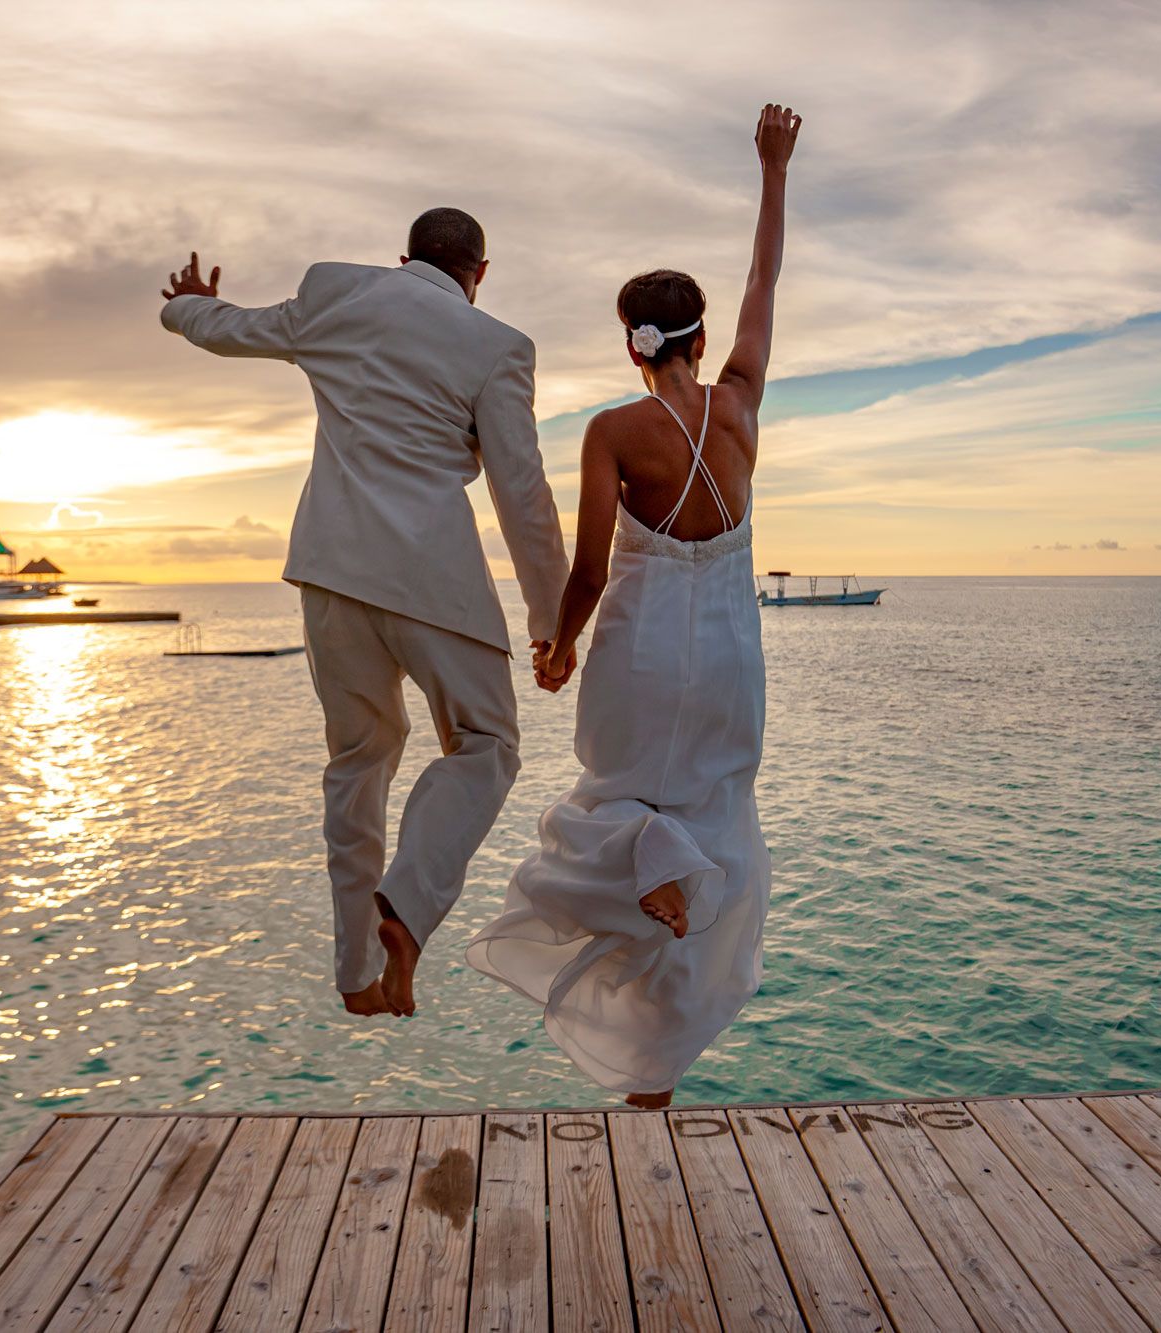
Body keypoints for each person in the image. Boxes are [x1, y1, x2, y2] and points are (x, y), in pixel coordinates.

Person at [467, 104, 801, 1107]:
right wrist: (772, 169)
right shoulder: (739, 404)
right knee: (716, 819)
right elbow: (763, 281)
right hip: (730, 657)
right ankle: (653, 1075)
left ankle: (644, 856)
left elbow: (590, 569)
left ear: (631, 345)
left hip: (644, 649)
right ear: (699, 340)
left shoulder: (614, 429)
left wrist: (556, 645)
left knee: (609, 803)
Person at [158, 209, 567, 1019]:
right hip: (433, 580)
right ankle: (407, 907)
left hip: (331, 577)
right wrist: (550, 619)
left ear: (404, 258)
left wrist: (184, 305)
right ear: (479, 273)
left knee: (358, 762)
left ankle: (355, 975)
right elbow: (521, 495)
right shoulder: (497, 346)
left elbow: (230, 329)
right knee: (485, 745)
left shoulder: (334, 292)